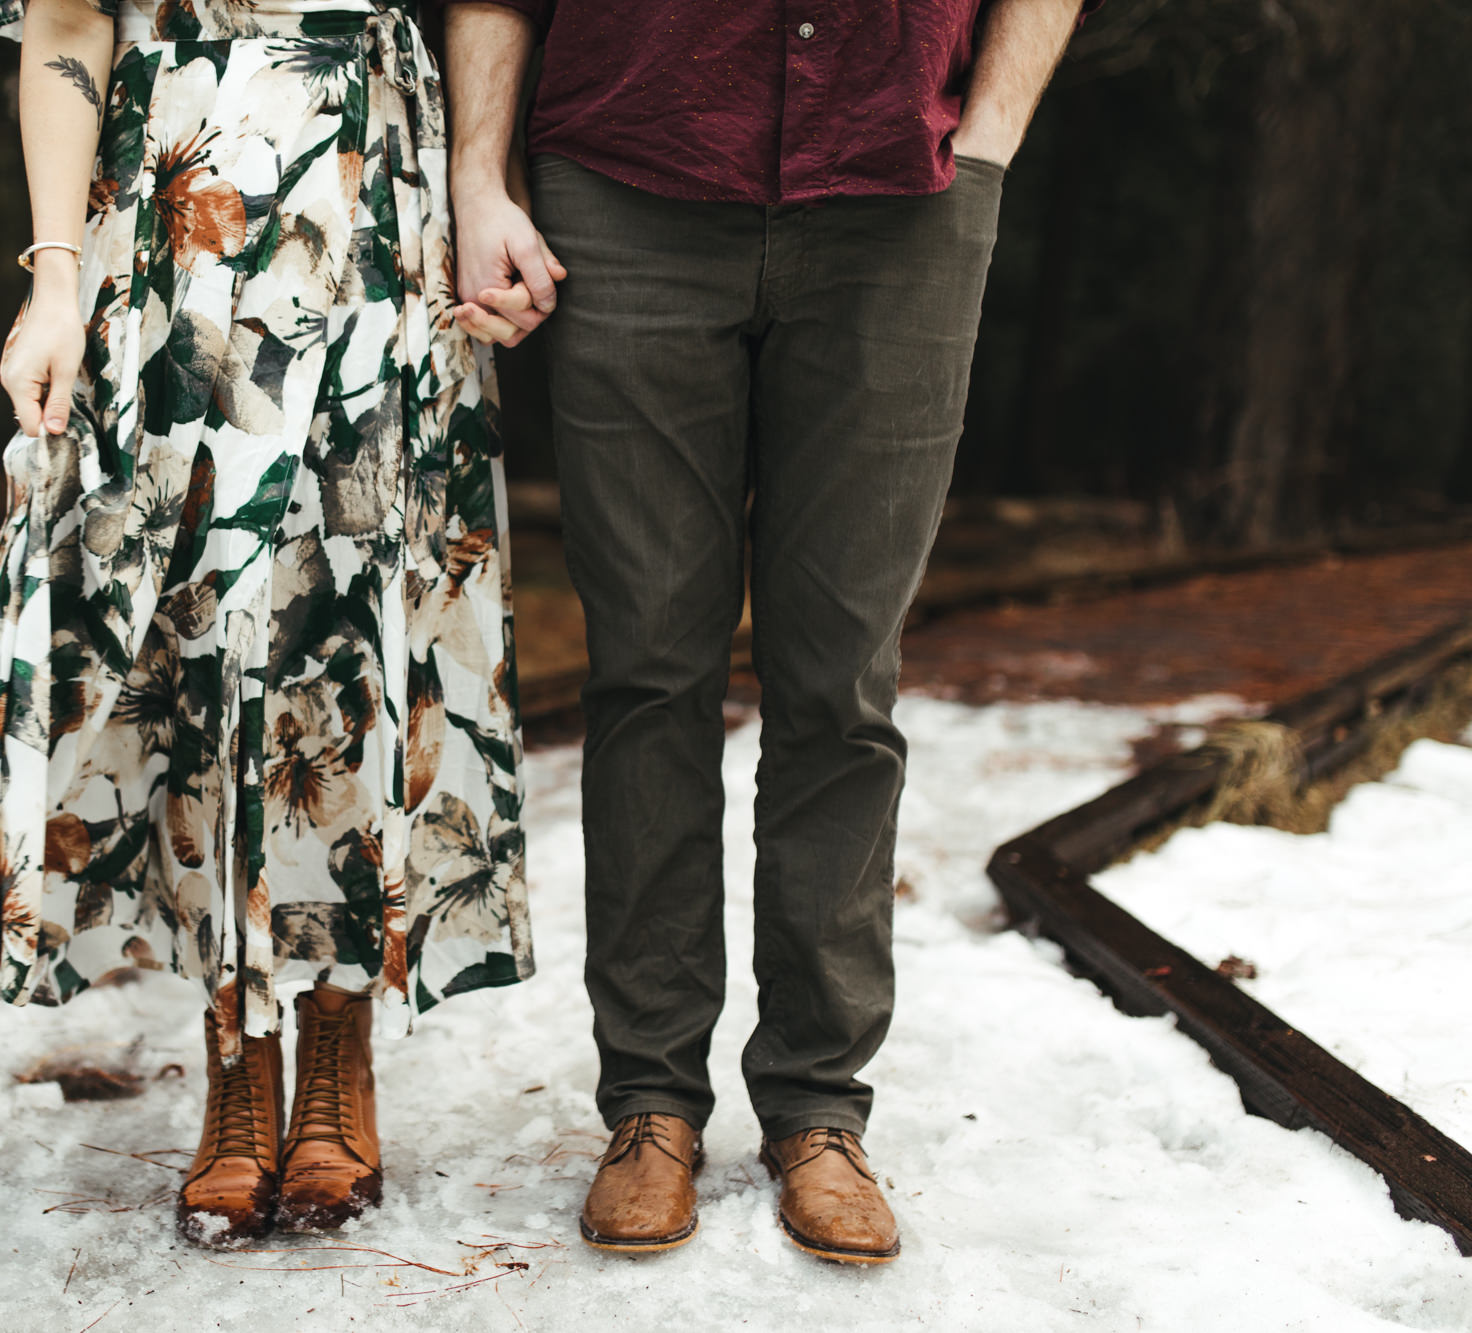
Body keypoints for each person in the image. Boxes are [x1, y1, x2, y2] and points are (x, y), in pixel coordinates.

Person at [444, 0, 1095, 1263]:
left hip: (900, 194)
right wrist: (482, 169)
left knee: (840, 684)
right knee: (644, 674)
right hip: (627, 177)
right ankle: (647, 1105)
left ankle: (815, 1107)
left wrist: (986, 148)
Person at [0, 0, 534, 1249]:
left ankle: (334, 1039)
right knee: (194, 623)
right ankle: (235, 1048)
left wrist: (484, 180)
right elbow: (63, 21)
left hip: (376, 187)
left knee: (358, 604)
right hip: (169, 202)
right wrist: (52, 274)